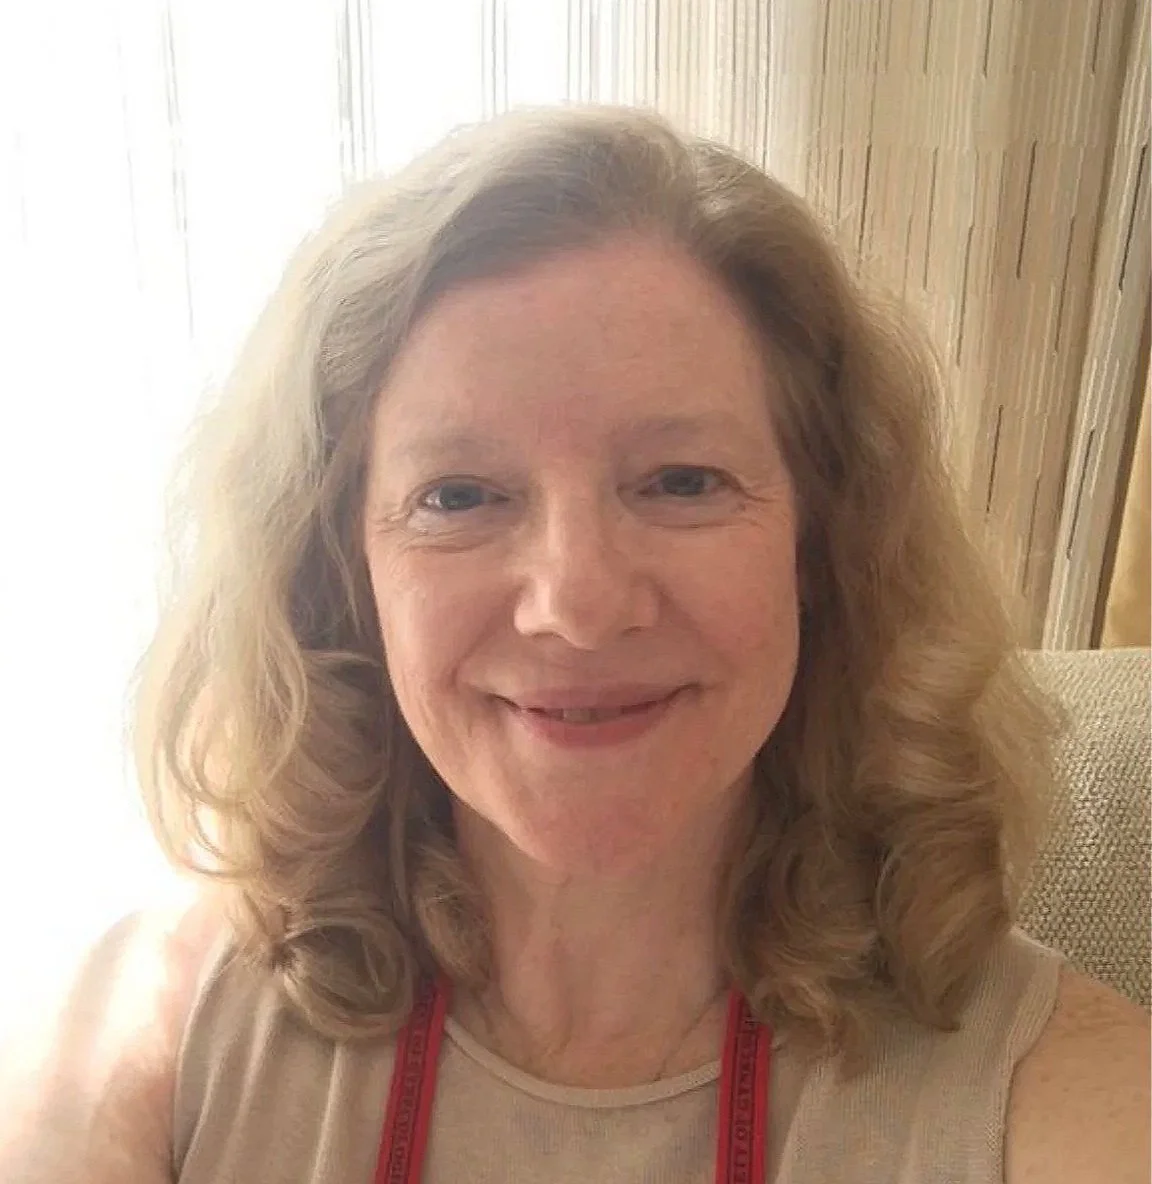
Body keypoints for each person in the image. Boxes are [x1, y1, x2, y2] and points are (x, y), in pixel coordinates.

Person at [1, 104, 1147, 1184]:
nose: (578, 604)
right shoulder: (158, 1031)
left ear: (821, 543)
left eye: (682, 480)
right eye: (459, 495)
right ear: (346, 572)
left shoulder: (1055, 1090)